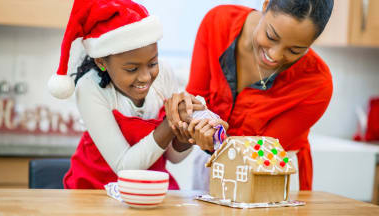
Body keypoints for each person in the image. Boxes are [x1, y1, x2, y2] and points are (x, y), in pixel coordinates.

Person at [167, 0, 334, 190]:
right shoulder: (219, 22)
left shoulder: (316, 83)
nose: (276, 56)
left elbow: (261, 153)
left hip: (271, 177)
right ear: (265, 6)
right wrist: (191, 117)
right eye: (271, 36)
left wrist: (214, 138)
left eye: (295, 50)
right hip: (211, 166)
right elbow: (196, 100)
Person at [47, 0, 204, 189]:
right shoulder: (90, 88)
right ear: (101, 62)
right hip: (96, 189)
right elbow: (124, 166)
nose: (145, 77)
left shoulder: (164, 74)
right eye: (131, 69)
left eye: (152, 63)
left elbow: (173, 156)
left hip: (147, 187)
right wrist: (169, 124)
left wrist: (185, 129)